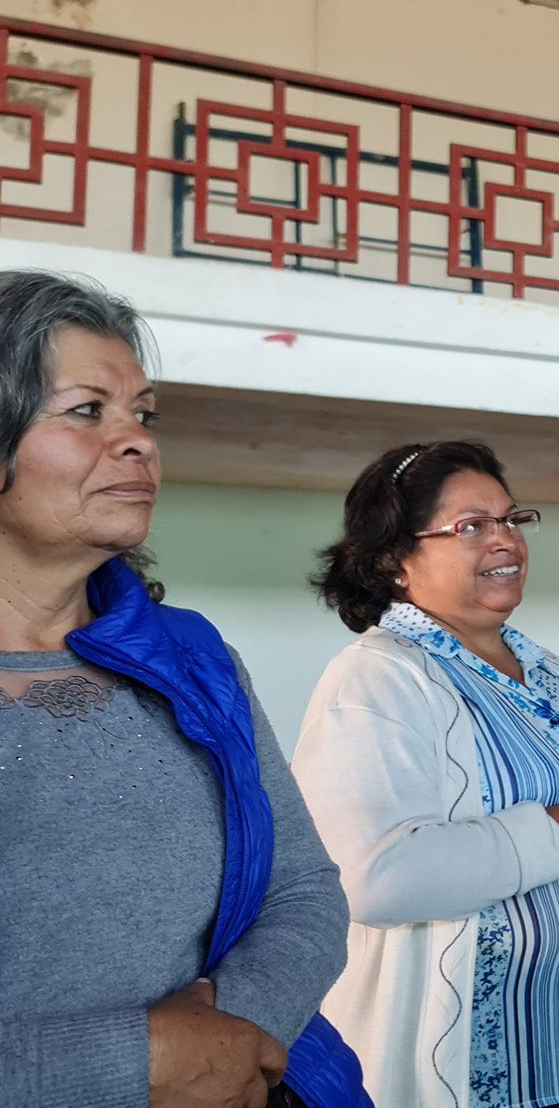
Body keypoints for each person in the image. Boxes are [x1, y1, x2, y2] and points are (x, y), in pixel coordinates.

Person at [0, 269, 368, 1108]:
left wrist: (229, 1037)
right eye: (88, 410)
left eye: (144, 414)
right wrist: (134, 1063)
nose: (137, 441)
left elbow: (303, 889)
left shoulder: (194, 658)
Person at [293, 440, 559, 1108]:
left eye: (511, 519)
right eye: (471, 525)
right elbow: (375, 879)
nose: (505, 539)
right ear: (395, 560)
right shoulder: (378, 676)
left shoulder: (545, 668)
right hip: (463, 1070)